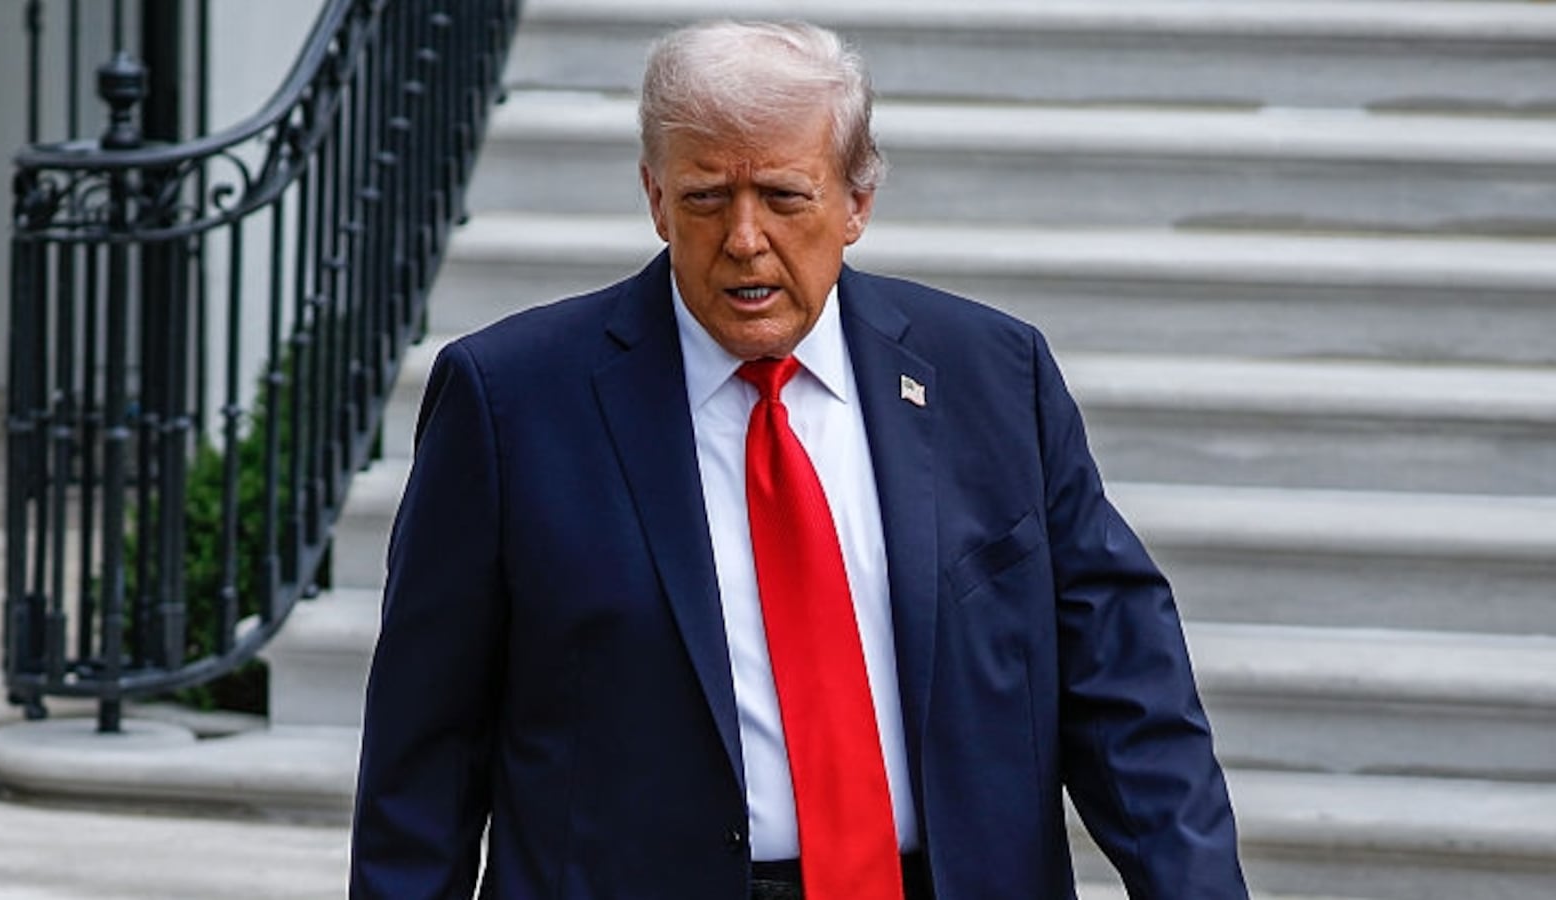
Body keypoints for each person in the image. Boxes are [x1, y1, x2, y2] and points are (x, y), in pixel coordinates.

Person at [349, 19, 1248, 900]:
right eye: (706, 197)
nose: (744, 238)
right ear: (655, 198)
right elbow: (423, 752)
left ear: (857, 203)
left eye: (783, 196)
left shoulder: (994, 377)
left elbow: (1128, 691)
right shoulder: (511, 401)